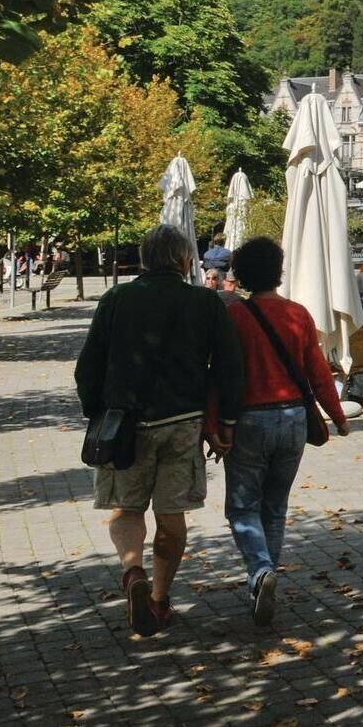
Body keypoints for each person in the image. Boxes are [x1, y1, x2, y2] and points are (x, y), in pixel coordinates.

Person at [75, 224, 244, 636]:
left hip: (125, 423)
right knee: (172, 515)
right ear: (186, 260)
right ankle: (159, 598)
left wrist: (95, 411)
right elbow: (228, 366)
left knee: (125, 508)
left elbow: (88, 366)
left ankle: (133, 572)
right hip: (182, 422)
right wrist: (226, 422)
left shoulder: (116, 298)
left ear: (145, 259)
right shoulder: (205, 302)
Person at [216, 237, 348, 627]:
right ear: (278, 270)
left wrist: (213, 428)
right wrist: (337, 415)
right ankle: (263, 579)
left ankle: (259, 572)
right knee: (274, 507)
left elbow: (220, 377)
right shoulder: (298, 314)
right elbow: (318, 372)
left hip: (249, 421)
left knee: (242, 507)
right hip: (292, 419)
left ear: (240, 275)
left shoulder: (234, 317)